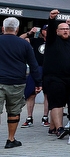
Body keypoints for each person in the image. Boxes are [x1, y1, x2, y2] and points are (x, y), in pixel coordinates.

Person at [1, 17, 42, 149]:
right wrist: (38, 82)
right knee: (14, 111)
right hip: (16, 82)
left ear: (3, 28)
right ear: (17, 29)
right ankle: (10, 139)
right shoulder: (24, 44)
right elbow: (33, 65)